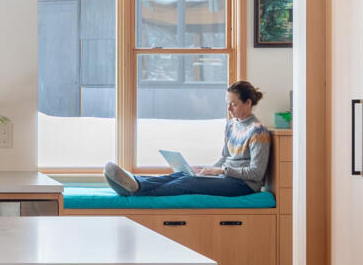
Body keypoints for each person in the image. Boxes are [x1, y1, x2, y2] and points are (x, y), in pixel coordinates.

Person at [103, 81, 272, 199]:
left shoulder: (258, 131)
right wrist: (207, 169)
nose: (228, 109)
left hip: (244, 185)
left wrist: (221, 171)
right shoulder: (231, 126)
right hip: (227, 177)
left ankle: (137, 192)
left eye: (233, 104)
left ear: (248, 103)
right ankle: (136, 181)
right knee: (185, 173)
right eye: (227, 104)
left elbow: (256, 174)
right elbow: (225, 157)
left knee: (189, 182)